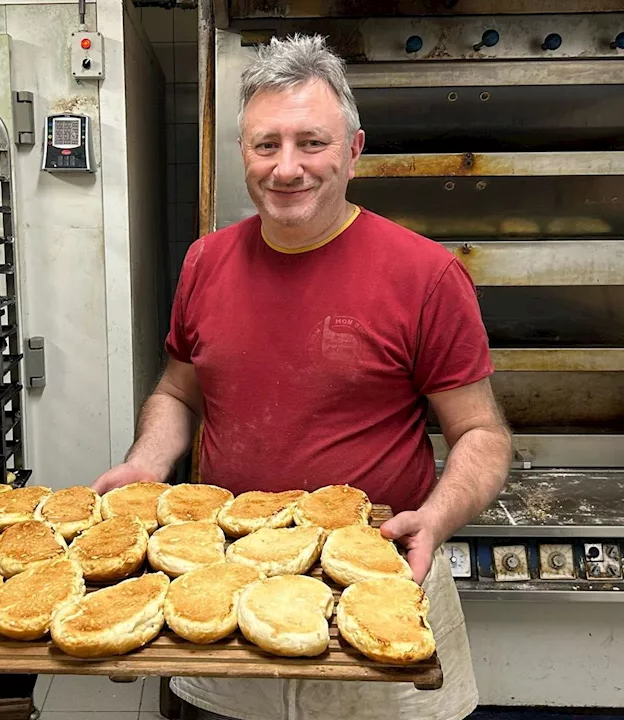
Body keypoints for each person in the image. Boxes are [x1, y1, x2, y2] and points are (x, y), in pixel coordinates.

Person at [92, 34, 511, 720]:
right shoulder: (206, 262)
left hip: (376, 583)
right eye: (266, 145)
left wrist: (436, 516)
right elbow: (177, 391)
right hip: (221, 586)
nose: (287, 168)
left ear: (353, 150)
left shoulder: (424, 275)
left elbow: (482, 435)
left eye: (311, 143)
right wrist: (146, 462)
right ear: (244, 153)